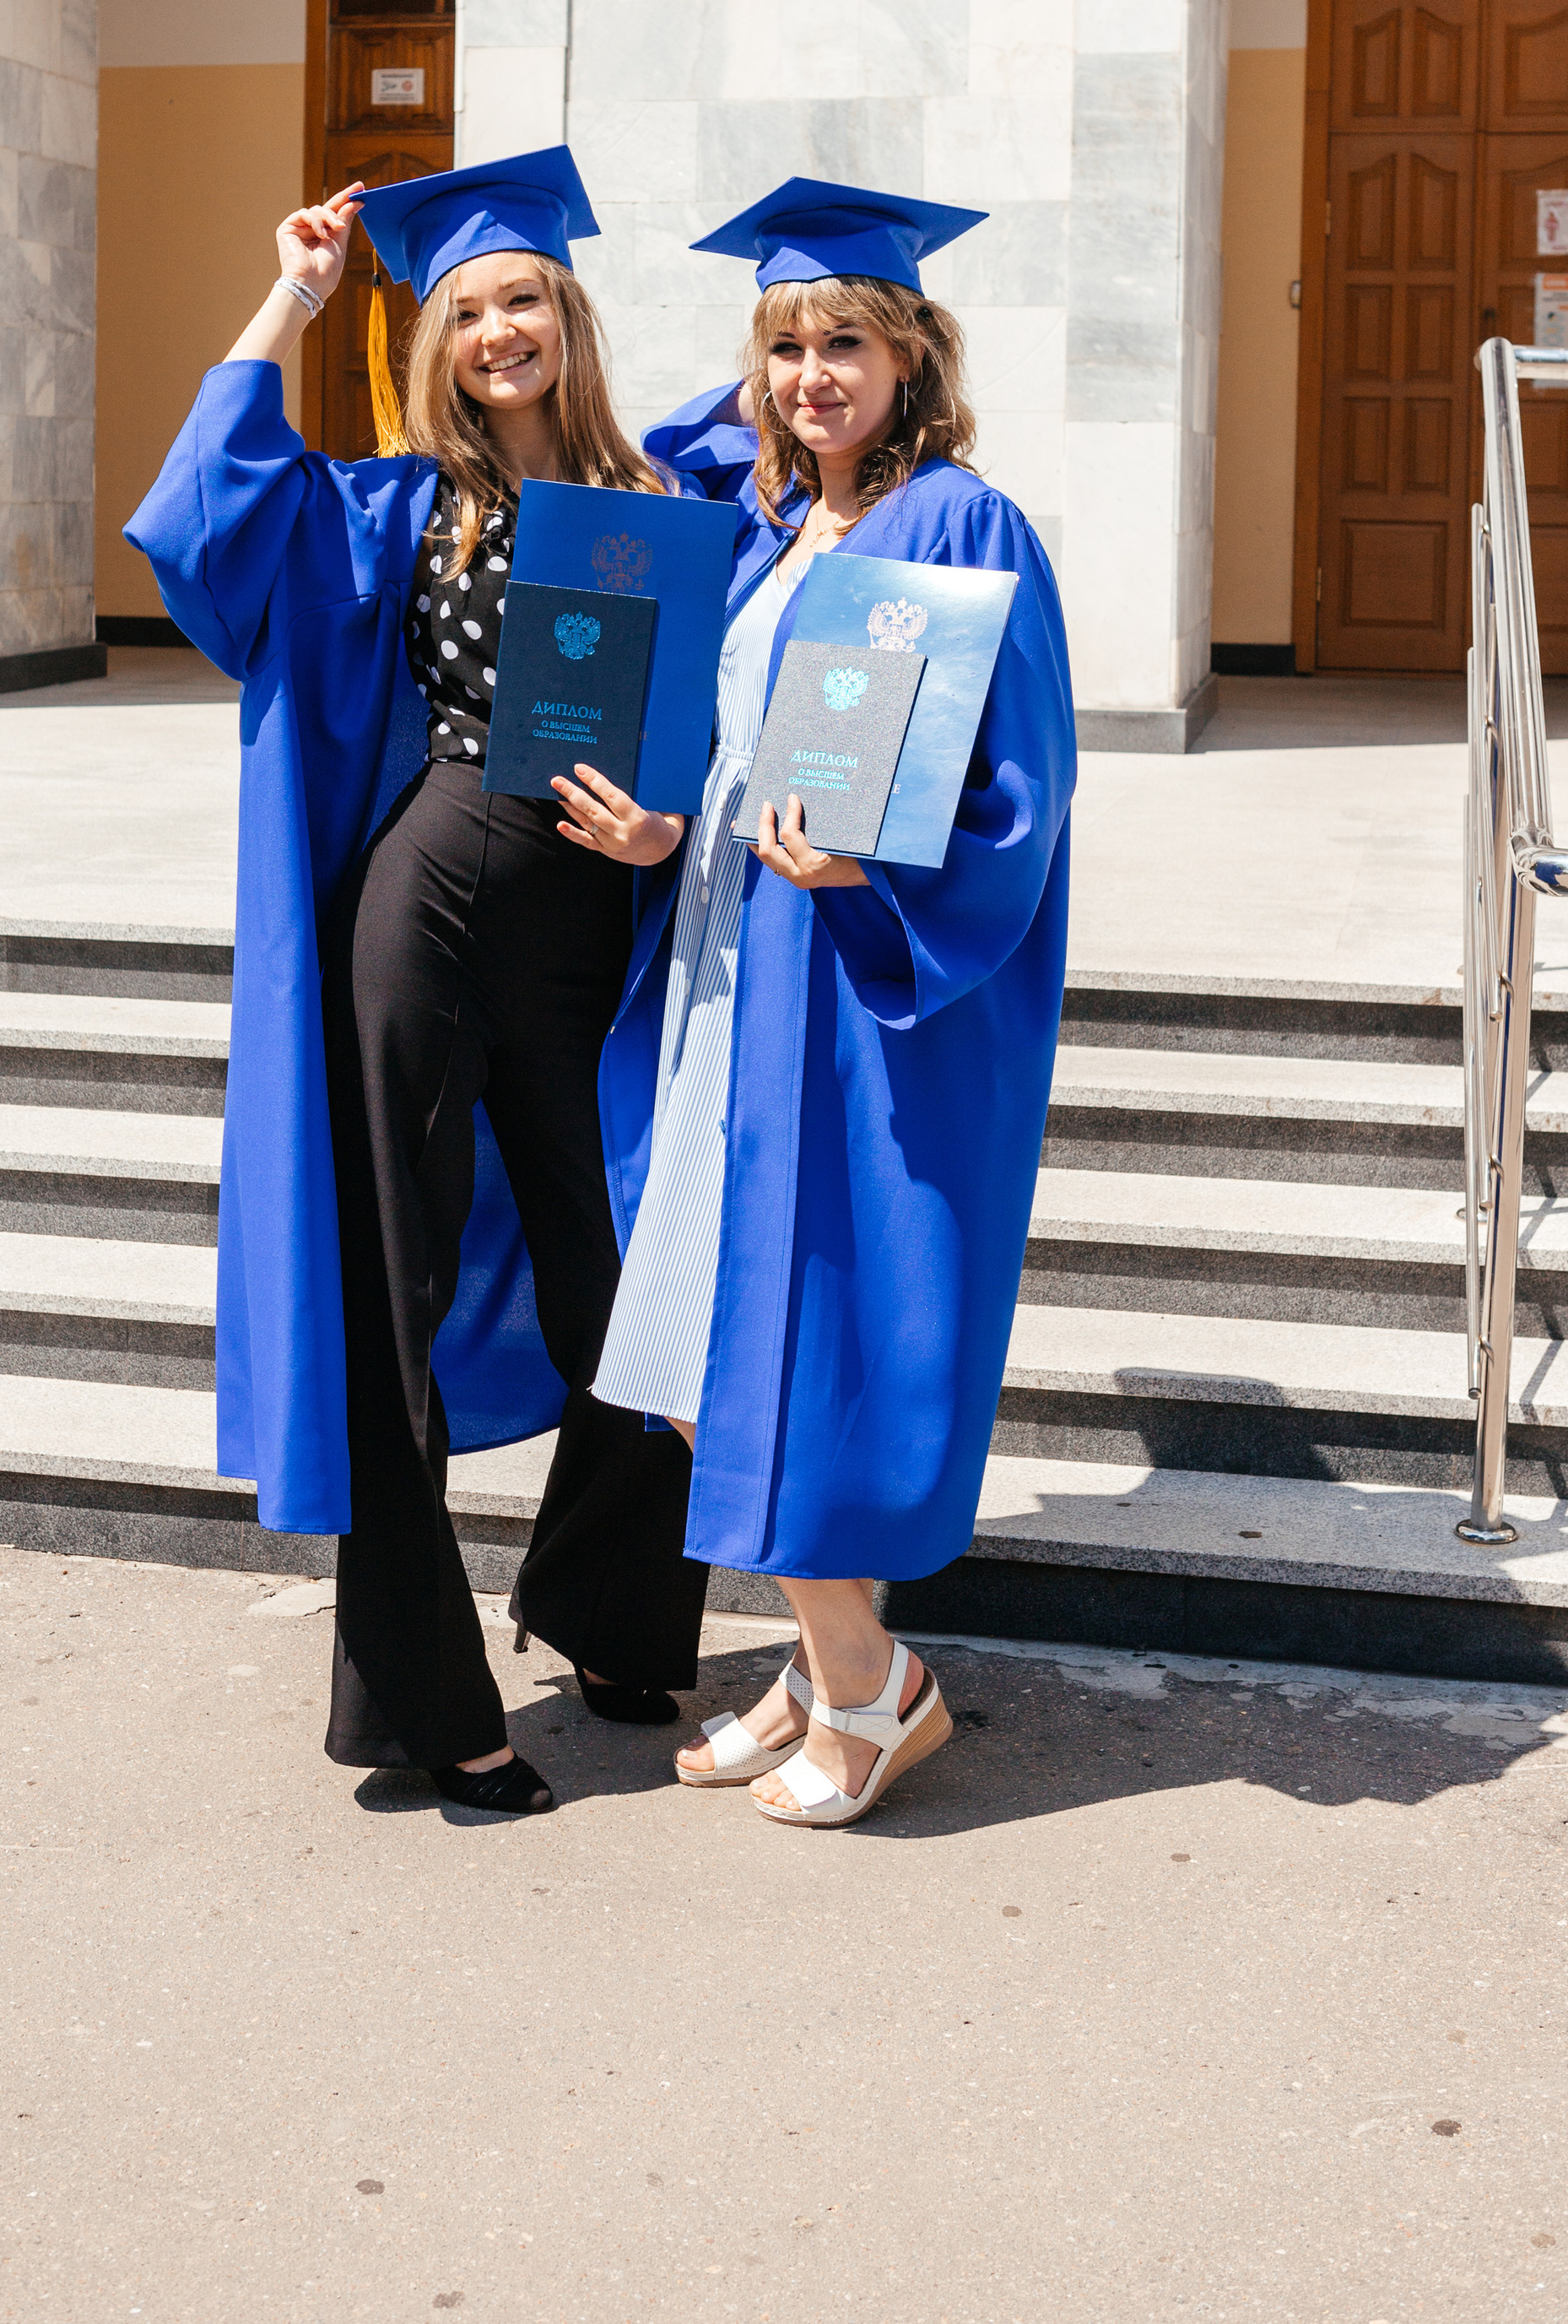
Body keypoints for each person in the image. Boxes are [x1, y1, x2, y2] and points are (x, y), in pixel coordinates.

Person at [125, 146, 710, 1819]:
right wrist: (296, 289)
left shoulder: (661, 506)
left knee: (628, 1281)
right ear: (435, 340)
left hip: (590, 924)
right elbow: (205, 509)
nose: (500, 328)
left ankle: (607, 1605)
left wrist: (667, 823)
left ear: (568, 318)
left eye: (524, 297)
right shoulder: (391, 505)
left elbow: (719, 716)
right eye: (467, 307)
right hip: (425, 908)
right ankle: (429, 1704)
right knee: (390, 1296)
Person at [592, 176, 1077, 1829]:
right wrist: (670, 830)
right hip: (724, 967)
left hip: (851, 989)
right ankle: (829, 1666)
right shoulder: (761, 530)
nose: (811, 372)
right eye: (785, 344)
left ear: (913, 355)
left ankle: (869, 1688)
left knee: (788, 1324)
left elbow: (1017, 788)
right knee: (679, 1322)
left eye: (847, 341)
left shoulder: (955, 522)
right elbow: (726, 726)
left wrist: (875, 884)